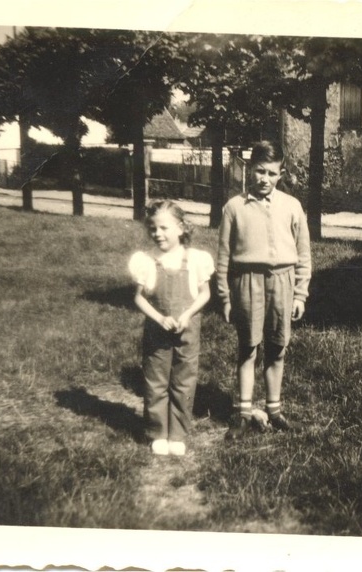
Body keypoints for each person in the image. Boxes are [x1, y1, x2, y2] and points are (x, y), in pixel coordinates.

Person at [216, 140, 312, 440]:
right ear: (249, 169)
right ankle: (243, 414)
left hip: (282, 282)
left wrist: (299, 293)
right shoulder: (233, 207)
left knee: (277, 348)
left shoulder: (292, 206)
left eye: (271, 173)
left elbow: (304, 254)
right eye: (259, 172)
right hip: (247, 283)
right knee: (248, 348)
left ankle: (274, 410)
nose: (264, 179)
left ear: (280, 174)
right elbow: (222, 259)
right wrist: (225, 297)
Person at [129, 200, 214, 456]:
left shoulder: (196, 259)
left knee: (183, 380)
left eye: (164, 228)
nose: (158, 234)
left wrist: (187, 314)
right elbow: (139, 298)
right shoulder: (147, 261)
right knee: (156, 380)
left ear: (181, 228)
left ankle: (177, 433)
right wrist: (158, 318)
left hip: (187, 330)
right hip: (158, 331)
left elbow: (205, 294)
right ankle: (158, 432)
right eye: (153, 228)